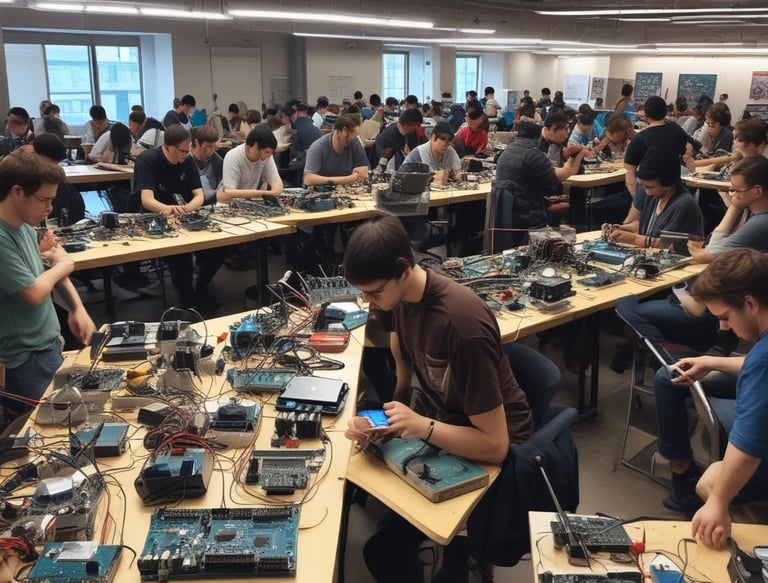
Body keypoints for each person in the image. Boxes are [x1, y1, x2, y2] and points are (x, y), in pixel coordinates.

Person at [342, 215, 532, 582]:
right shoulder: (396, 299)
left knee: (381, 552)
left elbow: (496, 445)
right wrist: (383, 422)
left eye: (373, 292)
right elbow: (404, 374)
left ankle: (461, 552)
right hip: (445, 420)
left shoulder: (461, 324)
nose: (368, 303)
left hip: (495, 441)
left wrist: (421, 426)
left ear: (402, 270)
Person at [654, 249, 768, 548]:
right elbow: (755, 363)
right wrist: (713, 361)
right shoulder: (761, 354)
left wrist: (718, 501)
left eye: (726, 317)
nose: (725, 327)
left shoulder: (762, 362)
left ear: (750, 303)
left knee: (711, 481)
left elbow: (748, 444)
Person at [0, 149, 96, 421]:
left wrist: (77, 307)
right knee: (60, 428)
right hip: (24, 360)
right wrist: (64, 267)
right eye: (44, 200)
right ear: (17, 192)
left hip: (49, 345)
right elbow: (32, 292)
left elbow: (54, 259)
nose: (49, 209)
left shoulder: (24, 227)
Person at [133, 124, 223, 309]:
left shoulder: (187, 161)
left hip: (185, 216)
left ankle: (201, 285)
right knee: (181, 259)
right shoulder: (147, 161)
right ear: (167, 147)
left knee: (220, 248)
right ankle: (188, 300)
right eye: (181, 151)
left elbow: (199, 194)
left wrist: (187, 207)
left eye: (187, 150)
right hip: (156, 219)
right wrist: (168, 209)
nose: (185, 155)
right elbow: (147, 200)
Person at [489, 122, 565, 250]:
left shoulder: (508, 150)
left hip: (509, 214)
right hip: (528, 216)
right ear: (537, 137)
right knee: (567, 204)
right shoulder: (534, 154)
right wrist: (577, 158)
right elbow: (555, 180)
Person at [623, 96, 696, 201]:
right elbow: (688, 148)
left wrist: (637, 200)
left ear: (646, 115)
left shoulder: (640, 138)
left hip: (648, 193)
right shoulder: (676, 130)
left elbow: (629, 172)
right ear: (665, 112)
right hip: (674, 191)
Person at [218, 125, 283, 202]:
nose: (268, 156)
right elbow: (229, 192)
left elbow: (278, 187)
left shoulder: (266, 156)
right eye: (267, 152)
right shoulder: (233, 156)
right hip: (228, 203)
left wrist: (261, 194)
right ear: (255, 146)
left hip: (251, 202)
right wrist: (262, 193)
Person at [303, 113, 369, 186]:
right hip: (323, 192)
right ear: (344, 131)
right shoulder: (318, 148)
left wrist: (361, 173)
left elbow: (363, 171)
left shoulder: (354, 142)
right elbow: (308, 179)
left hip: (346, 191)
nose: (355, 138)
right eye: (354, 134)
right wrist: (349, 179)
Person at [373, 108, 423, 172]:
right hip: (384, 166)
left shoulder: (411, 133)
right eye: (417, 124)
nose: (417, 127)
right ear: (409, 122)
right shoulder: (389, 135)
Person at [190, 125, 223, 204]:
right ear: (197, 142)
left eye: (214, 147)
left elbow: (221, 189)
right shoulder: (183, 160)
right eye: (208, 146)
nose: (212, 151)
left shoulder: (217, 161)